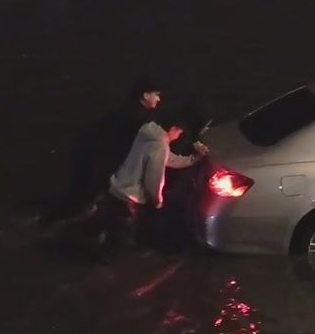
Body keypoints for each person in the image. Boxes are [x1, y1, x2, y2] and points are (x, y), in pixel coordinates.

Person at [41, 73, 166, 224]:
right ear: (145, 95)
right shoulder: (135, 117)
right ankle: (53, 222)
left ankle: (53, 220)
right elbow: (124, 144)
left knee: (82, 198)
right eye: (156, 95)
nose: (158, 99)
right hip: (97, 162)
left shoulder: (128, 112)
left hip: (92, 157)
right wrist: (166, 138)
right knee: (83, 200)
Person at [94, 113, 210, 261]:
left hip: (117, 185)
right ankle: (101, 260)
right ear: (172, 129)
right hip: (129, 194)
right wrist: (157, 200)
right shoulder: (160, 146)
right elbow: (154, 178)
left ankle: (100, 244)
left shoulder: (147, 136)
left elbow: (170, 159)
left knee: (111, 224)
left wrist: (193, 159)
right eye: (179, 132)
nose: (179, 136)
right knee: (120, 235)